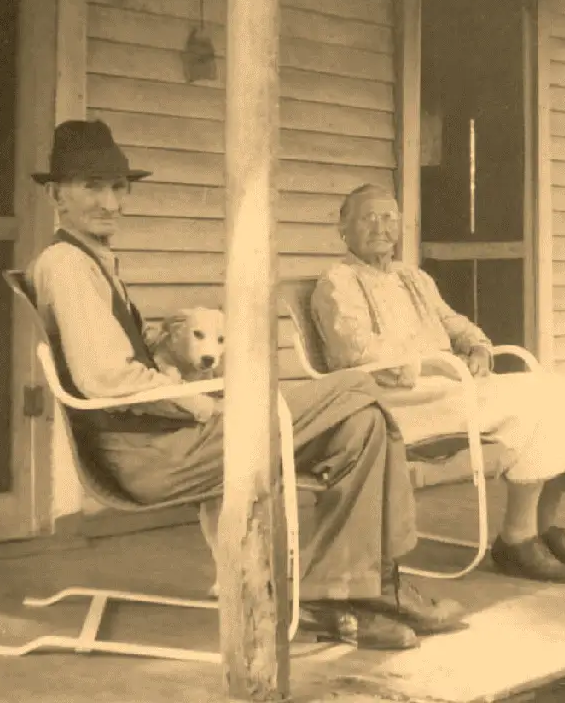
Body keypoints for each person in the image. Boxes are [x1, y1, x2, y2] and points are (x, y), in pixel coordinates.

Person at [26, 120, 468, 651]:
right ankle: (377, 586)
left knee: (364, 425)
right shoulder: (68, 265)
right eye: (91, 187)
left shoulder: (91, 261)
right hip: (148, 454)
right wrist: (205, 406)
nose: (109, 202)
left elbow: (112, 354)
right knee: (356, 387)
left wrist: (160, 347)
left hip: (159, 439)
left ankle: (348, 594)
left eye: (118, 187)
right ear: (57, 195)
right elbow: (106, 377)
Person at [311, 184, 565, 584]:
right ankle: (517, 540)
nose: (380, 227)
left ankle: (545, 528)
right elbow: (357, 352)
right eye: (368, 218)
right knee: (531, 405)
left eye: (388, 218)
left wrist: (477, 347)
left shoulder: (412, 277)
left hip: (448, 387)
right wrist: (432, 366)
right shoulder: (337, 283)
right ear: (343, 228)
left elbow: (453, 322)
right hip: (396, 400)